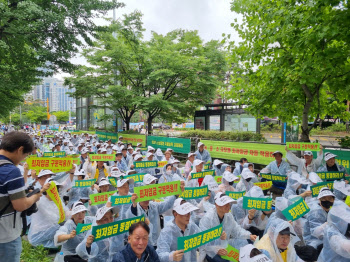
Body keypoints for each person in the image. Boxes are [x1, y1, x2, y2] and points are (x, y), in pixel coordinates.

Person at [0, 131, 45, 262]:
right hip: (5, 237)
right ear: (20, 150)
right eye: (26, 154)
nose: (24, 159)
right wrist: (35, 196)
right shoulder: (11, 171)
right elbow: (20, 205)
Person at [199, 192, 257, 261]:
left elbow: (236, 230)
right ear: (217, 205)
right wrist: (215, 249)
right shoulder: (208, 218)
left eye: (228, 204)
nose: (228, 206)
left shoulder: (228, 215)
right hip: (210, 251)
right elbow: (203, 241)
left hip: (225, 245)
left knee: (247, 243)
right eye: (224, 204)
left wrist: (249, 236)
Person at [303, 187, 337, 261]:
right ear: (319, 199)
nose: (327, 201)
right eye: (324, 198)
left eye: (330, 198)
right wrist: (329, 223)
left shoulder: (331, 210)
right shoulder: (316, 212)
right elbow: (316, 233)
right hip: (315, 242)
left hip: (327, 239)